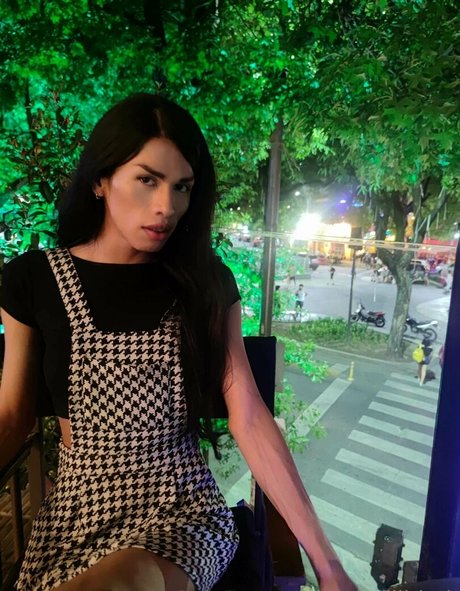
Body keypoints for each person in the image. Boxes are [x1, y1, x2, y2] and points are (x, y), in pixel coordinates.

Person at [0, 94, 356, 591]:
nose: (166, 207)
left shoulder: (204, 283)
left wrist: (329, 565)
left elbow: (249, 417)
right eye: (147, 180)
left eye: (182, 187)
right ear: (101, 180)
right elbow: (13, 416)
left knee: (129, 577)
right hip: (76, 514)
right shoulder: (33, 280)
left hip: (181, 508)